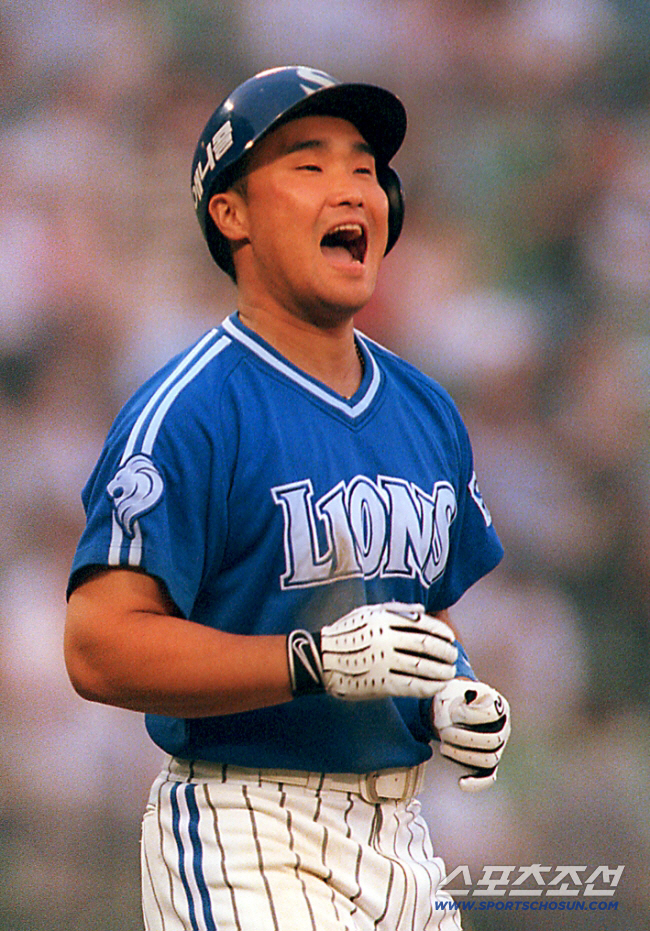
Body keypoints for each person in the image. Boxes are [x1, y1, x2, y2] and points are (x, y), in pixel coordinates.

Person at [64, 65, 511, 931]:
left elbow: (416, 617)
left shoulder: (425, 408)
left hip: (404, 837)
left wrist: (448, 691)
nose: (351, 186)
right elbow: (97, 645)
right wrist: (306, 661)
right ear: (230, 213)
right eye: (309, 166)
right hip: (247, 829)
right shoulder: (192, 408)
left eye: (364, 168)